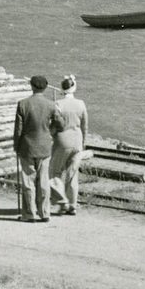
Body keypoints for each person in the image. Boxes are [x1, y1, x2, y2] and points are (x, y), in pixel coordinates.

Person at [13, 75, 56, 222]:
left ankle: (29, 214)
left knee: (28, 181)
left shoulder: (22, 104)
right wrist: (50, 131)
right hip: (45, 147)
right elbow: (61, 123)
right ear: (45, 87)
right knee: (44, 181)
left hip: (27, 147)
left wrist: (16, 146)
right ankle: (45, 213)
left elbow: (18, 130)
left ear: (31, 86)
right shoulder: (51, 104)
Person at [49, 74, 88, 215]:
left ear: (62, 88)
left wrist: (52, 135)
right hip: (77, 141)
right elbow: (85, 126)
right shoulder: (81, 104)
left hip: (62, 141)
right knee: (72, 174)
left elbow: (53, 125)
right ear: (74, 88)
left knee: (55, 173)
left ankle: (61, 200)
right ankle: (73, 205)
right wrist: (83, 143)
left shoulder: (58, 104)